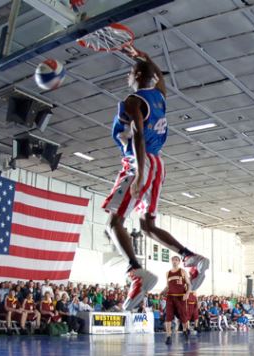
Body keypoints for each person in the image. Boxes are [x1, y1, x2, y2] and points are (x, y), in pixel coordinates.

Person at [102, 48, 209, 310]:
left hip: (141, 162)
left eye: (130, 72)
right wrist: (144, 56)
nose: (128, 76)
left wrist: (138, 171)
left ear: (137, 75)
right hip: (158, 163)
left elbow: (138, 135)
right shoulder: (159, 96)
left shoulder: (134, 100)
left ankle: (136, 272)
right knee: (147, 225)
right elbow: (159, 76)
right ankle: (191, 258)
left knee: (113, 223)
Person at [164, 256, 191, 345]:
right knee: (168, 317)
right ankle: (168, 336)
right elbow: (167, 286)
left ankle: (184, 330)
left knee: (183, 316)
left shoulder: (182, 271)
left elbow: (189, 284)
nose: (174, 261)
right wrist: (162, 292)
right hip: (170, 297)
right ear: (171, 261)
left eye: (176, 260)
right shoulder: (167, 273)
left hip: (180, 297)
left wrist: (187, 293)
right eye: (173, 260)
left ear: (179, 262)